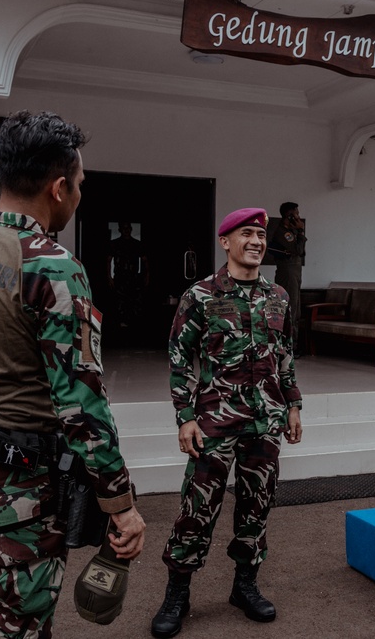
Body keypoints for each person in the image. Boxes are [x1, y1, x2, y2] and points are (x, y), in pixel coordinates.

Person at [0, 110, 146, 637]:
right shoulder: (52, 264)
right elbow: (82, 405)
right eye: (80, 185)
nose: (80, 195)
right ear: (59, 187)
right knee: (13, 624)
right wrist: (120, 505)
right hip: (17, 494)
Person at [152, 207, 303, 638]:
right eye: (246, 234)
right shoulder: (199, 295)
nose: (256, 241)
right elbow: (179, 359)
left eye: (260, 234)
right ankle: (177, 593)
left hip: (266, 421)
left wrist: (293, 404)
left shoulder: (278, 296)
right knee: (196, 510)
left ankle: (245, 586)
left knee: (257, 505)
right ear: (226, 242)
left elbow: (286, 354)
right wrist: (184, 417)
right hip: (214, 422)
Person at [270, 202, 306, 350]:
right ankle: (289, 345)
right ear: (289, 216)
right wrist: (301, 232)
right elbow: (297, 250)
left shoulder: (292, 232)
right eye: (296, 214)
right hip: (288, 272)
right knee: (290, 309)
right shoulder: (283, 233)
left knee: (296, 310)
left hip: (295, 272)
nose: (298, 217)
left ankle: (293, 344)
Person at [106, 221, 150, 331]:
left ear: (131, 229)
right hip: (120, 276)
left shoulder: (137, 244)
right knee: (120, 301)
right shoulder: (115, 244)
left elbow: (145, 261)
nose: (126, 231)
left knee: (135, 301)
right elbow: (108, 261)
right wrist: (109, 277)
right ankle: (121, 323)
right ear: (120, 230)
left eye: (128, 228)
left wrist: (147, 276)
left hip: (134, 276)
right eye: (124, 228)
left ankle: (134, 324)